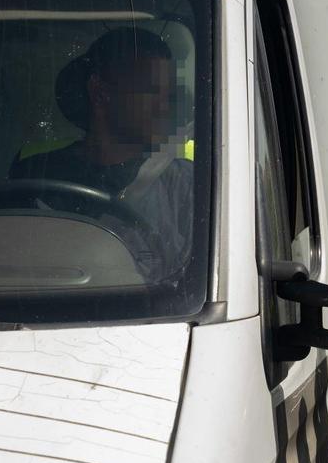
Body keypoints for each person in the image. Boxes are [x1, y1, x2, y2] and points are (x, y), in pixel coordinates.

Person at [10, 28, 193, 280]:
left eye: (167, 95)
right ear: (99, 92)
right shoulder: (33, 176)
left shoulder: (182, 183)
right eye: (151, 90)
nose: (164, 107)